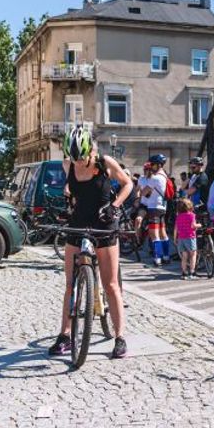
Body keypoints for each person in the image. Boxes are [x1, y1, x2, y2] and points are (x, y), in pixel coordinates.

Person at [51, 125, 133, 359]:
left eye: (82, 158)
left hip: (104, 224)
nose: (78, 163)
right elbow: (71, 188)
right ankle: (65, 335)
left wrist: (114, 206)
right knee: (70, 284)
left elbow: (128, 184)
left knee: (111, 285)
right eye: (74, 159)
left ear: (90, 152)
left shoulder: (105, 163)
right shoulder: (68, 165)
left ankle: (120, 337)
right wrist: (68, 196)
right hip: (78, 223)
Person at [135, 156, 172, 267]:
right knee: (163, 233)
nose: (151, 167)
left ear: (159, 165)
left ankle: (157, 258)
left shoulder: (155, 178)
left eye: (153, 164)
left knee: (154, 234)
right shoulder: (165, 176)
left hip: (153, 208)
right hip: (162, 207)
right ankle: (166, 256)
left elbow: (144, 192)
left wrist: (140, 194)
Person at [173, 197, 199, 280]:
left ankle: (184, 273)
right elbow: (193, 226)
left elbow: (176, 228)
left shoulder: (178, 216)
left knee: (184, 256)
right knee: (193, 254)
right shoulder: (191, 215)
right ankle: (192, 272)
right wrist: (199, 225)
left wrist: (175, 238)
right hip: (190, 237)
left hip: (181, 238)